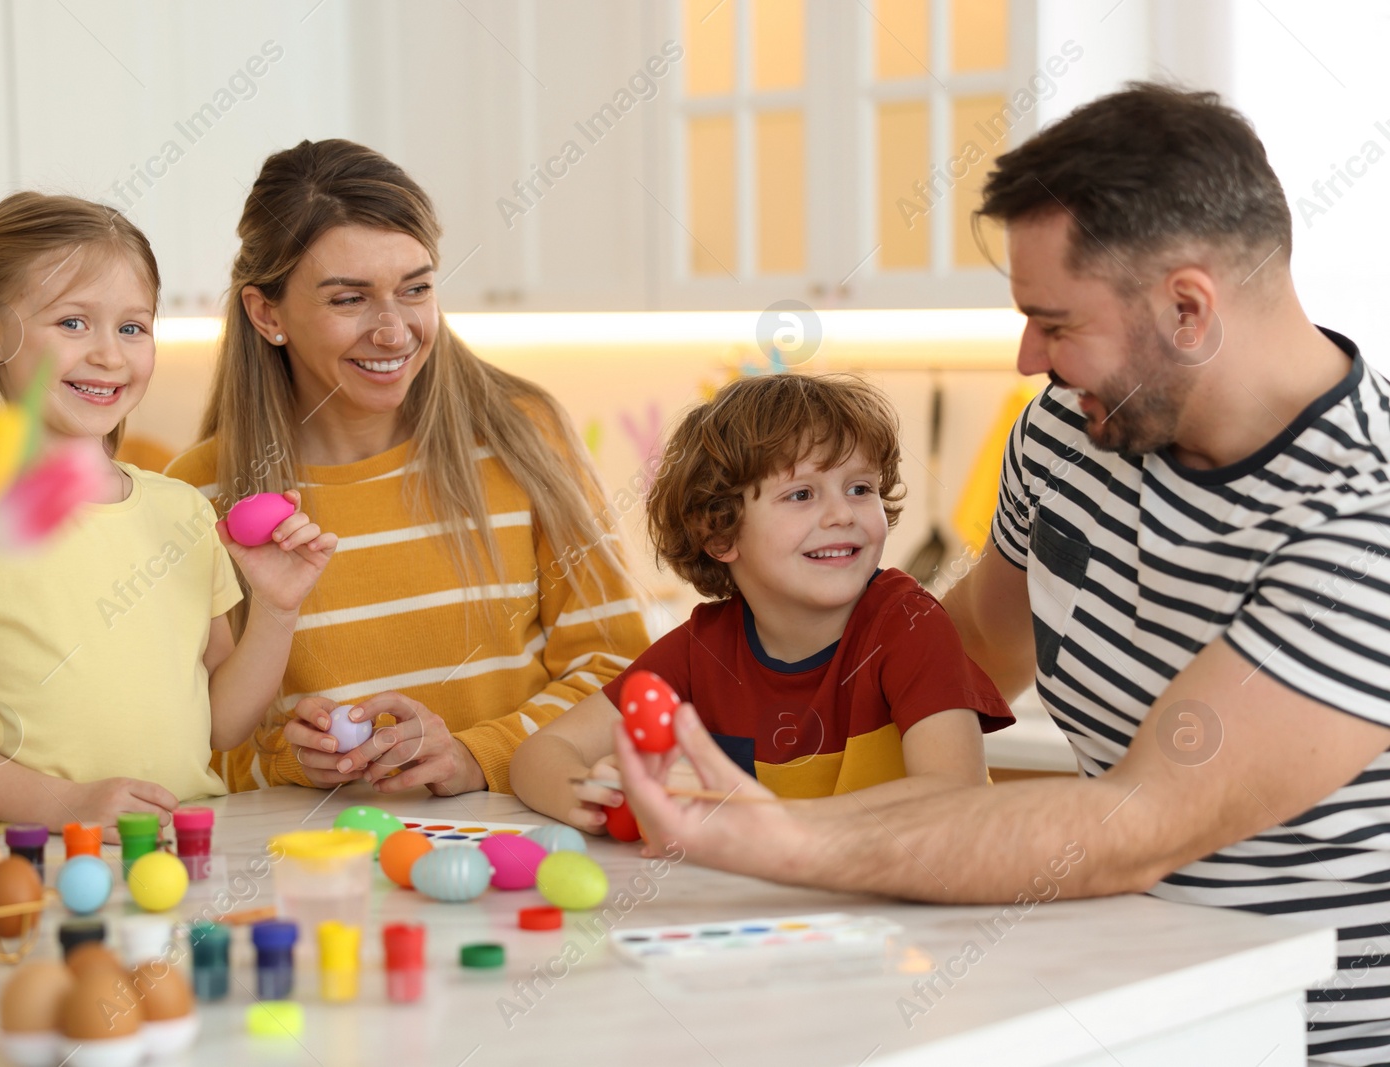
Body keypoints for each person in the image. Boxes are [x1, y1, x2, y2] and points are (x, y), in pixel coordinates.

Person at [613, 84, 1390, 1066]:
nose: (1028, 359)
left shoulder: (1365, 518)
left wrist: (786, 840)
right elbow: (964, 652)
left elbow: (1135, 822)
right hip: (1111, 981)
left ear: (1188, 307)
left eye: (1054, 323)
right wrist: (758, 760)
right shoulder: (1068, 434)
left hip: (1299, 1028)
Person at [165, 139, 649, 797]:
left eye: (415, 288)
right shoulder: (198, 493)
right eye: (349, 299)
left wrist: (476, 757)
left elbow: (620, 670)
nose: (394, 331)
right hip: (316, 869)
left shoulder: (523, 437)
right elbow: (175, 739)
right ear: (267, 313)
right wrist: (280, 758)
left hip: (524, 855)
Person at [0, 192, 335, 841]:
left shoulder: (182, 511)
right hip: (26, 857)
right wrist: (64, 804)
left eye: (133, 327)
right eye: (73, 322)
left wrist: (276, 607)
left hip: (179, 846)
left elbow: (222, 723)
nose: (109, 354)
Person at [511, 373, 1013, 831]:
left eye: (860, 488)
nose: (842, 513)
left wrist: (753, 818)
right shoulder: (701, 648)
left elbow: (954, 797)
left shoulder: (909, 624)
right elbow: (540, 754)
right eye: (801, 495)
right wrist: (591, 796)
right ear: (721, 534)